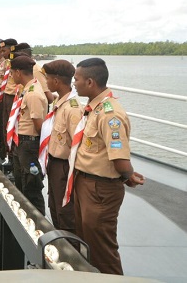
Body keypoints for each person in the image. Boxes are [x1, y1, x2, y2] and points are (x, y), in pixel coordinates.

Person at [69, 57, 145, 275]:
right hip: (85, 183)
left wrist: (128, 175)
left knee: (102, 249)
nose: (74, 83)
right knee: (86, 243)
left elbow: (120, 159)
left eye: (77, 79)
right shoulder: (94, 108)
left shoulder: (110, 114)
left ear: (90, 82)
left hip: (100, 190)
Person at [39, 60, 81, 234]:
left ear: (56, 81)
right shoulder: (59, 104)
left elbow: (77, 147)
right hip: (54, 164)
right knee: (55, 209)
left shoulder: (72, 110)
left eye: (47, 78)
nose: (46, 82)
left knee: (65, 214)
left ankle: (71, 254)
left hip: (64, 168)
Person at [8, 55, 48, 214]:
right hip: (21, 143)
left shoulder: (33, 94)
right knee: (21, 183)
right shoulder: (27, 90)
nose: (10, 75)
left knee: (31, 186)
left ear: (18, 72)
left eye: (11, 72)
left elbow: (39, 126)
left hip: (29, 145)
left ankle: (39, 224)